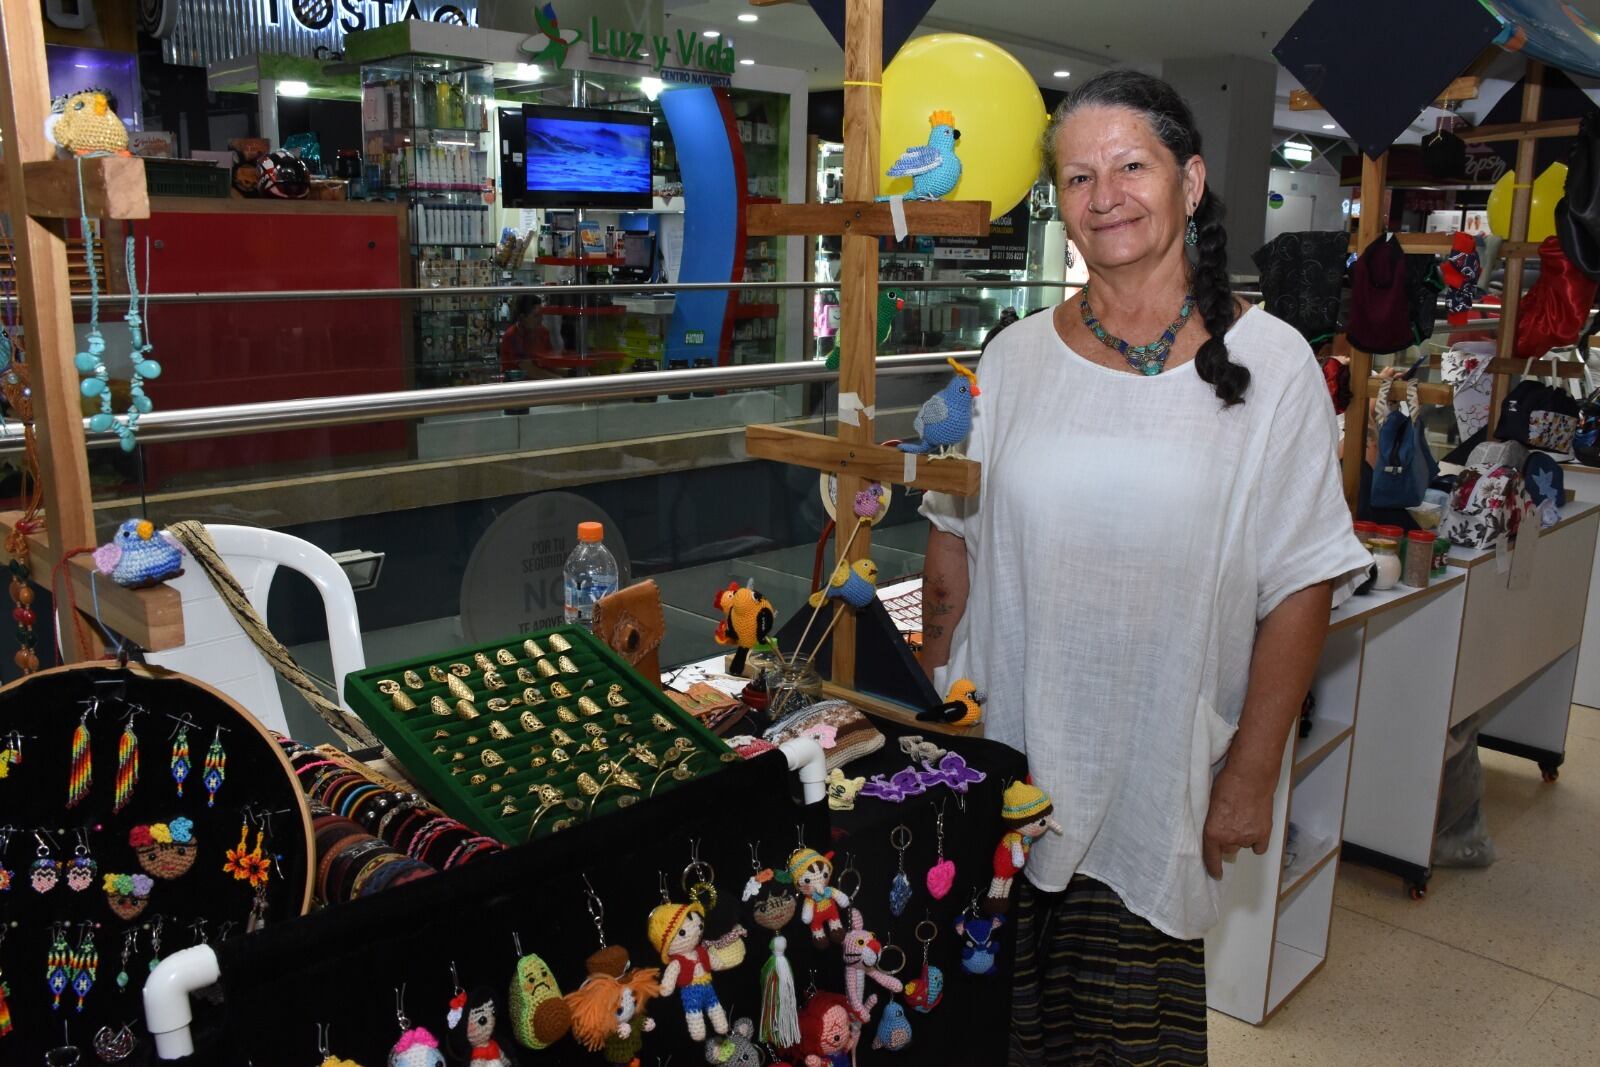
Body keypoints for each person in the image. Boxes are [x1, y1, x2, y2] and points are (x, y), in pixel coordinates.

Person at [917, 70, 1370, 1066]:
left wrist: (1251, 771)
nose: (1105, 193)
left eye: (1132, 165)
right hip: (1005, 767)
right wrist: (931, 686)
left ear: (1191, 180)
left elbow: (1302, 578)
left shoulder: (1274, 362)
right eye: (1078, 177)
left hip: (1158, 776)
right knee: (989, 1029)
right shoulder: (1015, 355)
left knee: (1123, 1039)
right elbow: (951, 528)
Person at [499, 294, 553, 376]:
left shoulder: (543, 332)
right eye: (536, 316)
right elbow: (531, 370)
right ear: (523, 317)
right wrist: (562, 381)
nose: (542, 319)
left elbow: (549, 364)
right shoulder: (512, 336)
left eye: (541, 314)